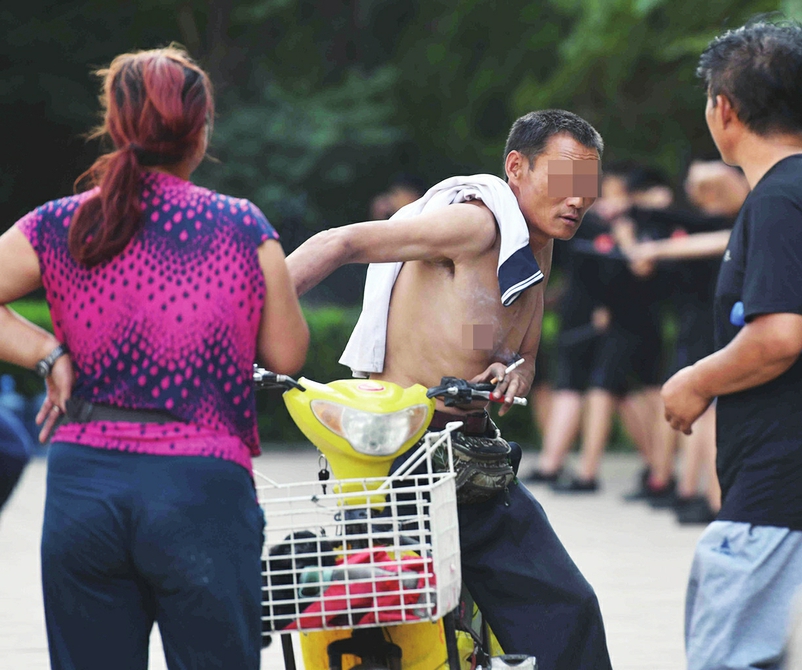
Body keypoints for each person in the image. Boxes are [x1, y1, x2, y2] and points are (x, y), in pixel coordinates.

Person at [0, 47, 309, 670]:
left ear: (116, 126)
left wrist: (45, 352)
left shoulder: (61, 225)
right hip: (202, 492)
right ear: (200, 133)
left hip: (84, 487)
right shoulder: (242, 227)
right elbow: (286, 353)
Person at [287, 109, 612, 669]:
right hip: (401, 464)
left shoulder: (536, 241)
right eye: (564, 182)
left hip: (476, 464)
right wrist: (234, 321)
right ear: (517, 168)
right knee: (418, 638)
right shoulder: (477, 225)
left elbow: (523, 356)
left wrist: (513, 375)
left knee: (569, 611)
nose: (577, 201)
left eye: (588, 187)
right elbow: (340, 242)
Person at [661, 19, 802, 669]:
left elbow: (778, 337)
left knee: (727, 658)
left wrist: (695, 380)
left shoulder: (778, 200)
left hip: (777, 481)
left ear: (725, 108)